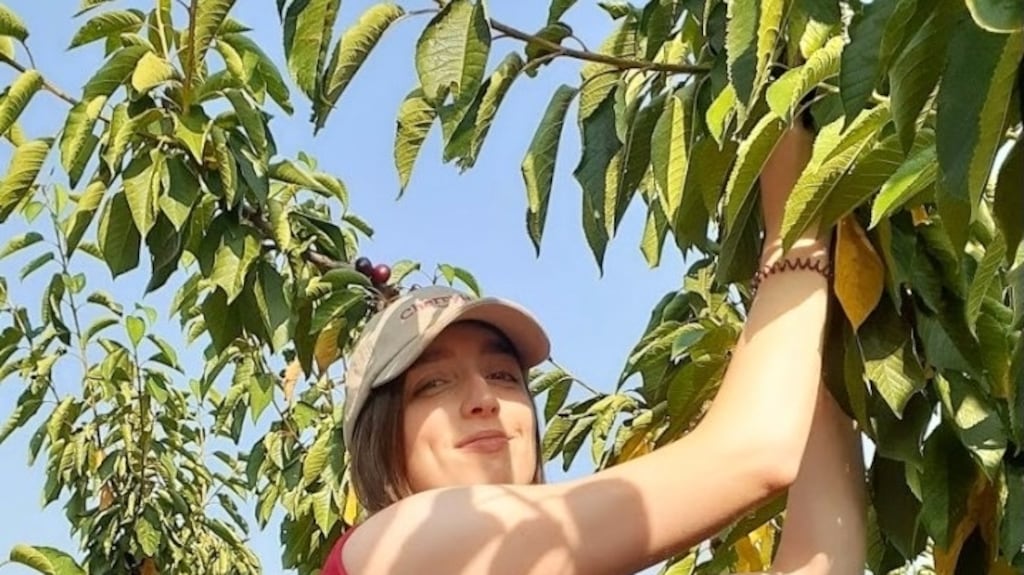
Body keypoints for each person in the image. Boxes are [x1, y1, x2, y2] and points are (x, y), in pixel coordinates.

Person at [319, 122, 867, 575]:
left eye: (505, 376)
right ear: (382, 438)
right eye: (433, 383)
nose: (483, 397)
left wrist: (823, 311)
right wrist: (793, 232)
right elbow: (754, 454)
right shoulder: (398, 544)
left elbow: (828, 557)